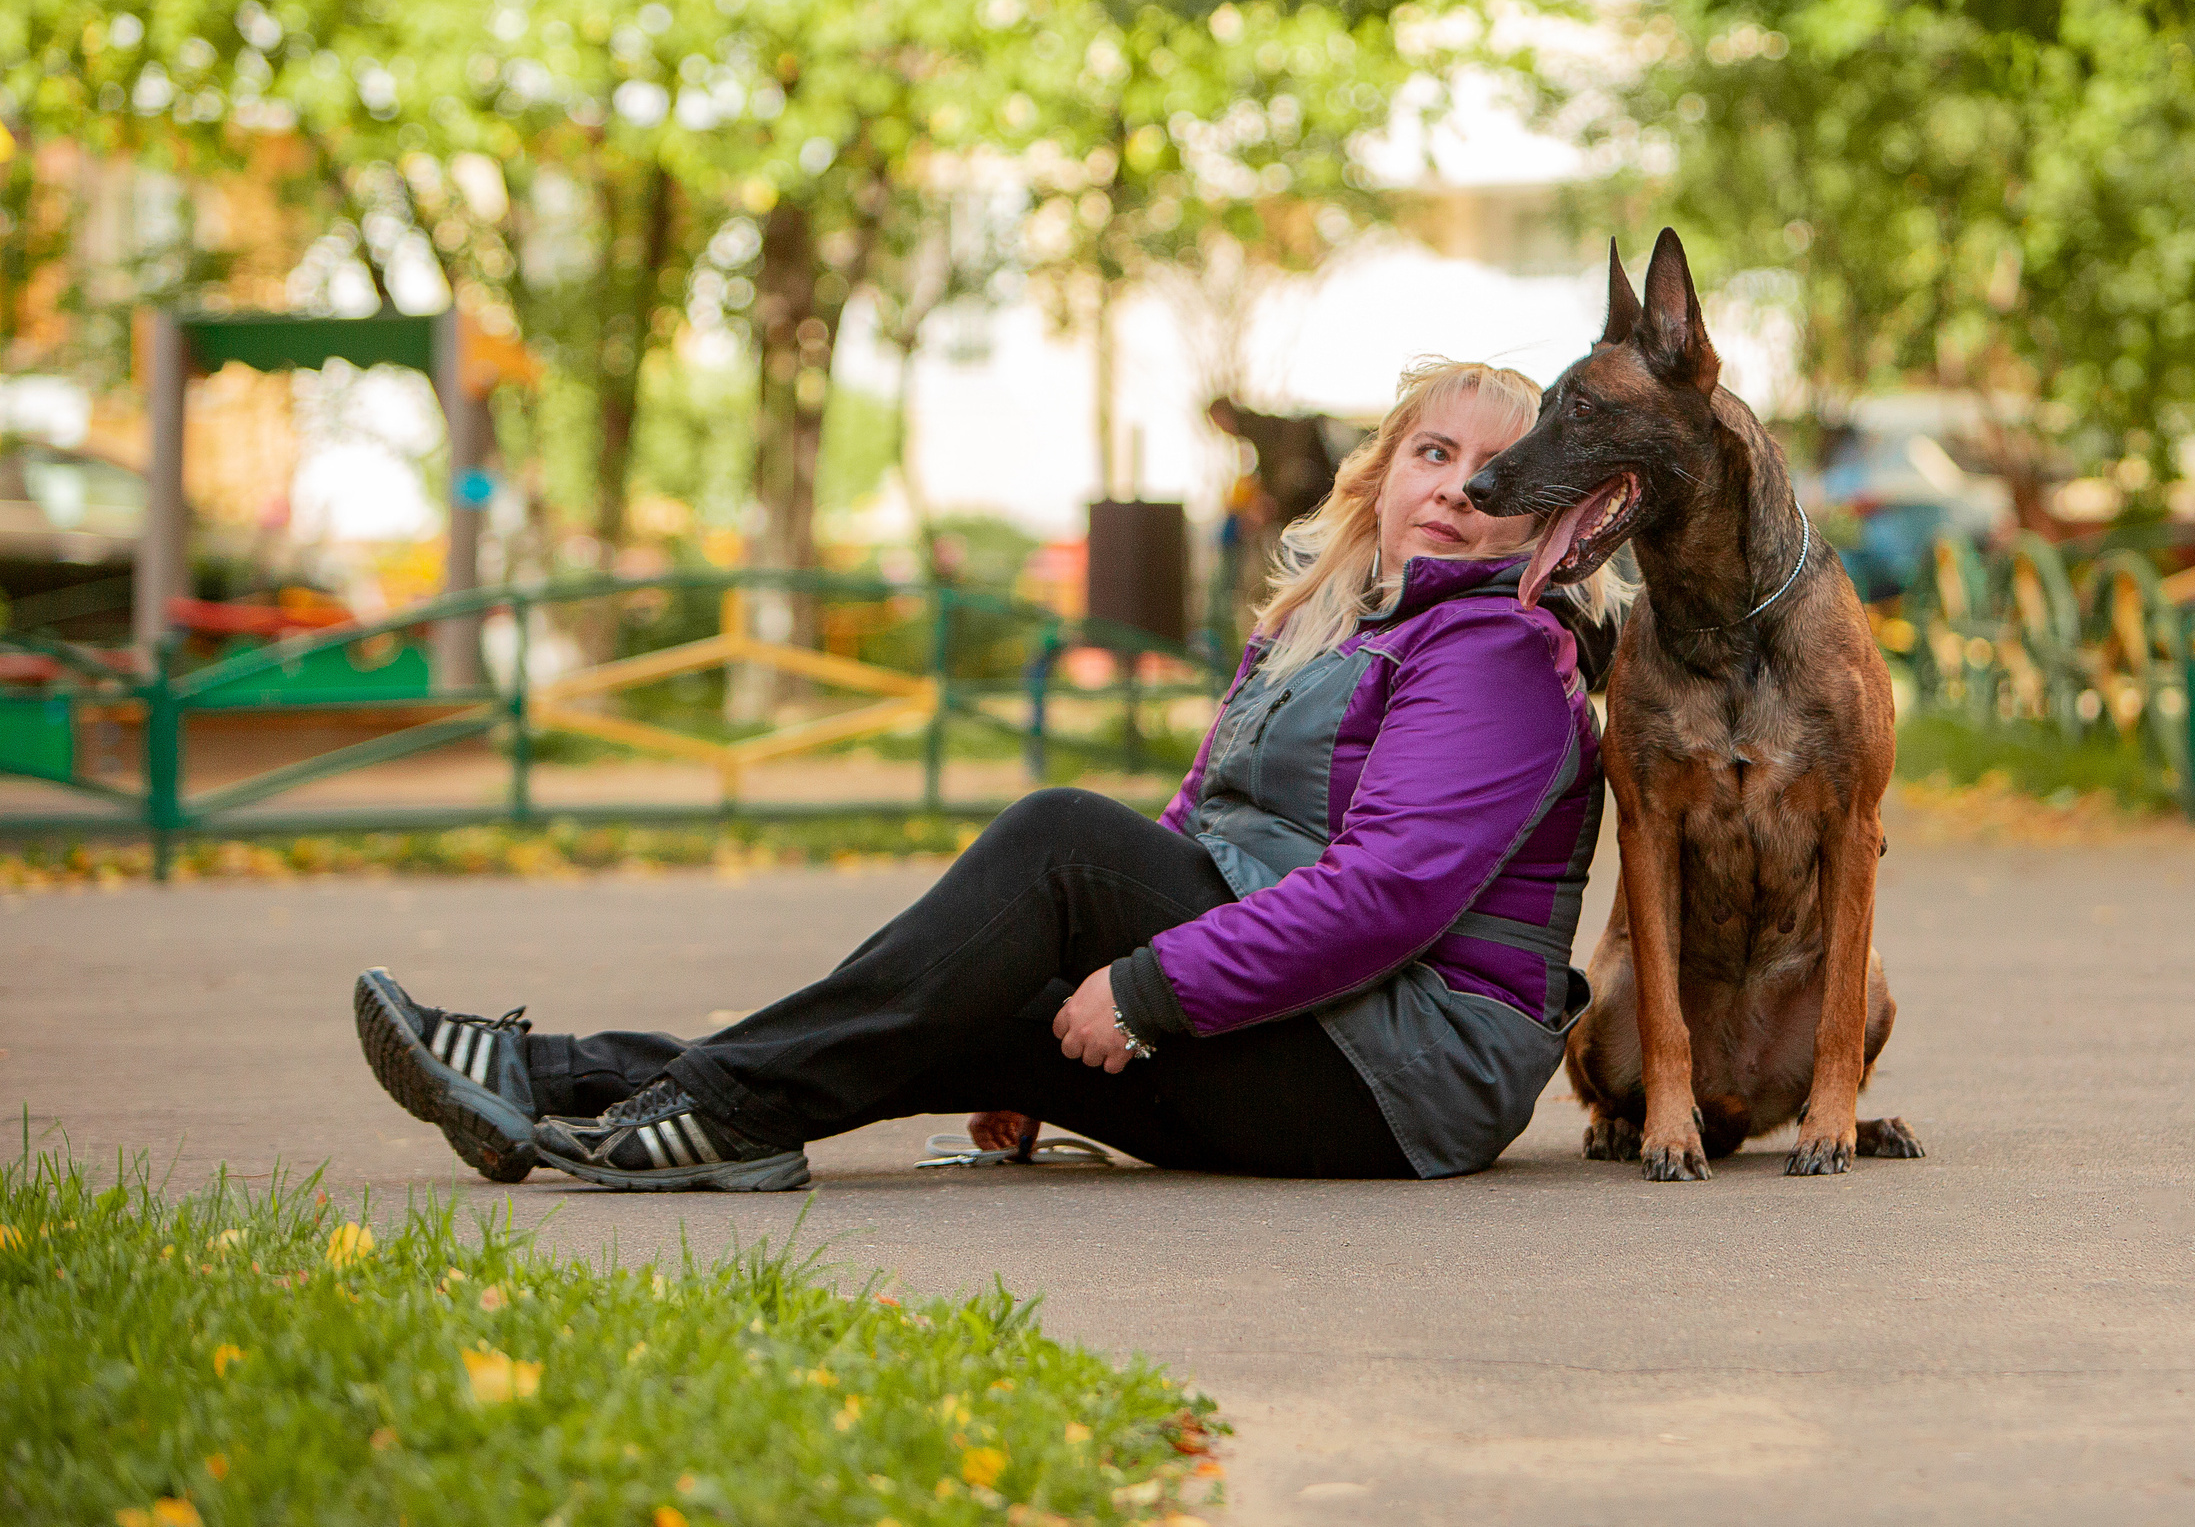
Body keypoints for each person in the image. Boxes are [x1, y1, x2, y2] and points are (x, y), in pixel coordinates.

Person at [353, 360, 1628, 1190]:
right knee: (943, 1002)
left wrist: (1145, 985)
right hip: (1304, 1018)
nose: (1460, 490)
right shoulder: (1338, 619)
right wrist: (1081, 977)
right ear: (1383, 470)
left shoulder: (1496, 651)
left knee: (1062, 843)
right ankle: (557, 1082)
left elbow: (1388, 896)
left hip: (1403, 1075)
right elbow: (1201, 827)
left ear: (1545, 517)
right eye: (1433, 453)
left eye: (1498, 474)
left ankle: (706, 1115)